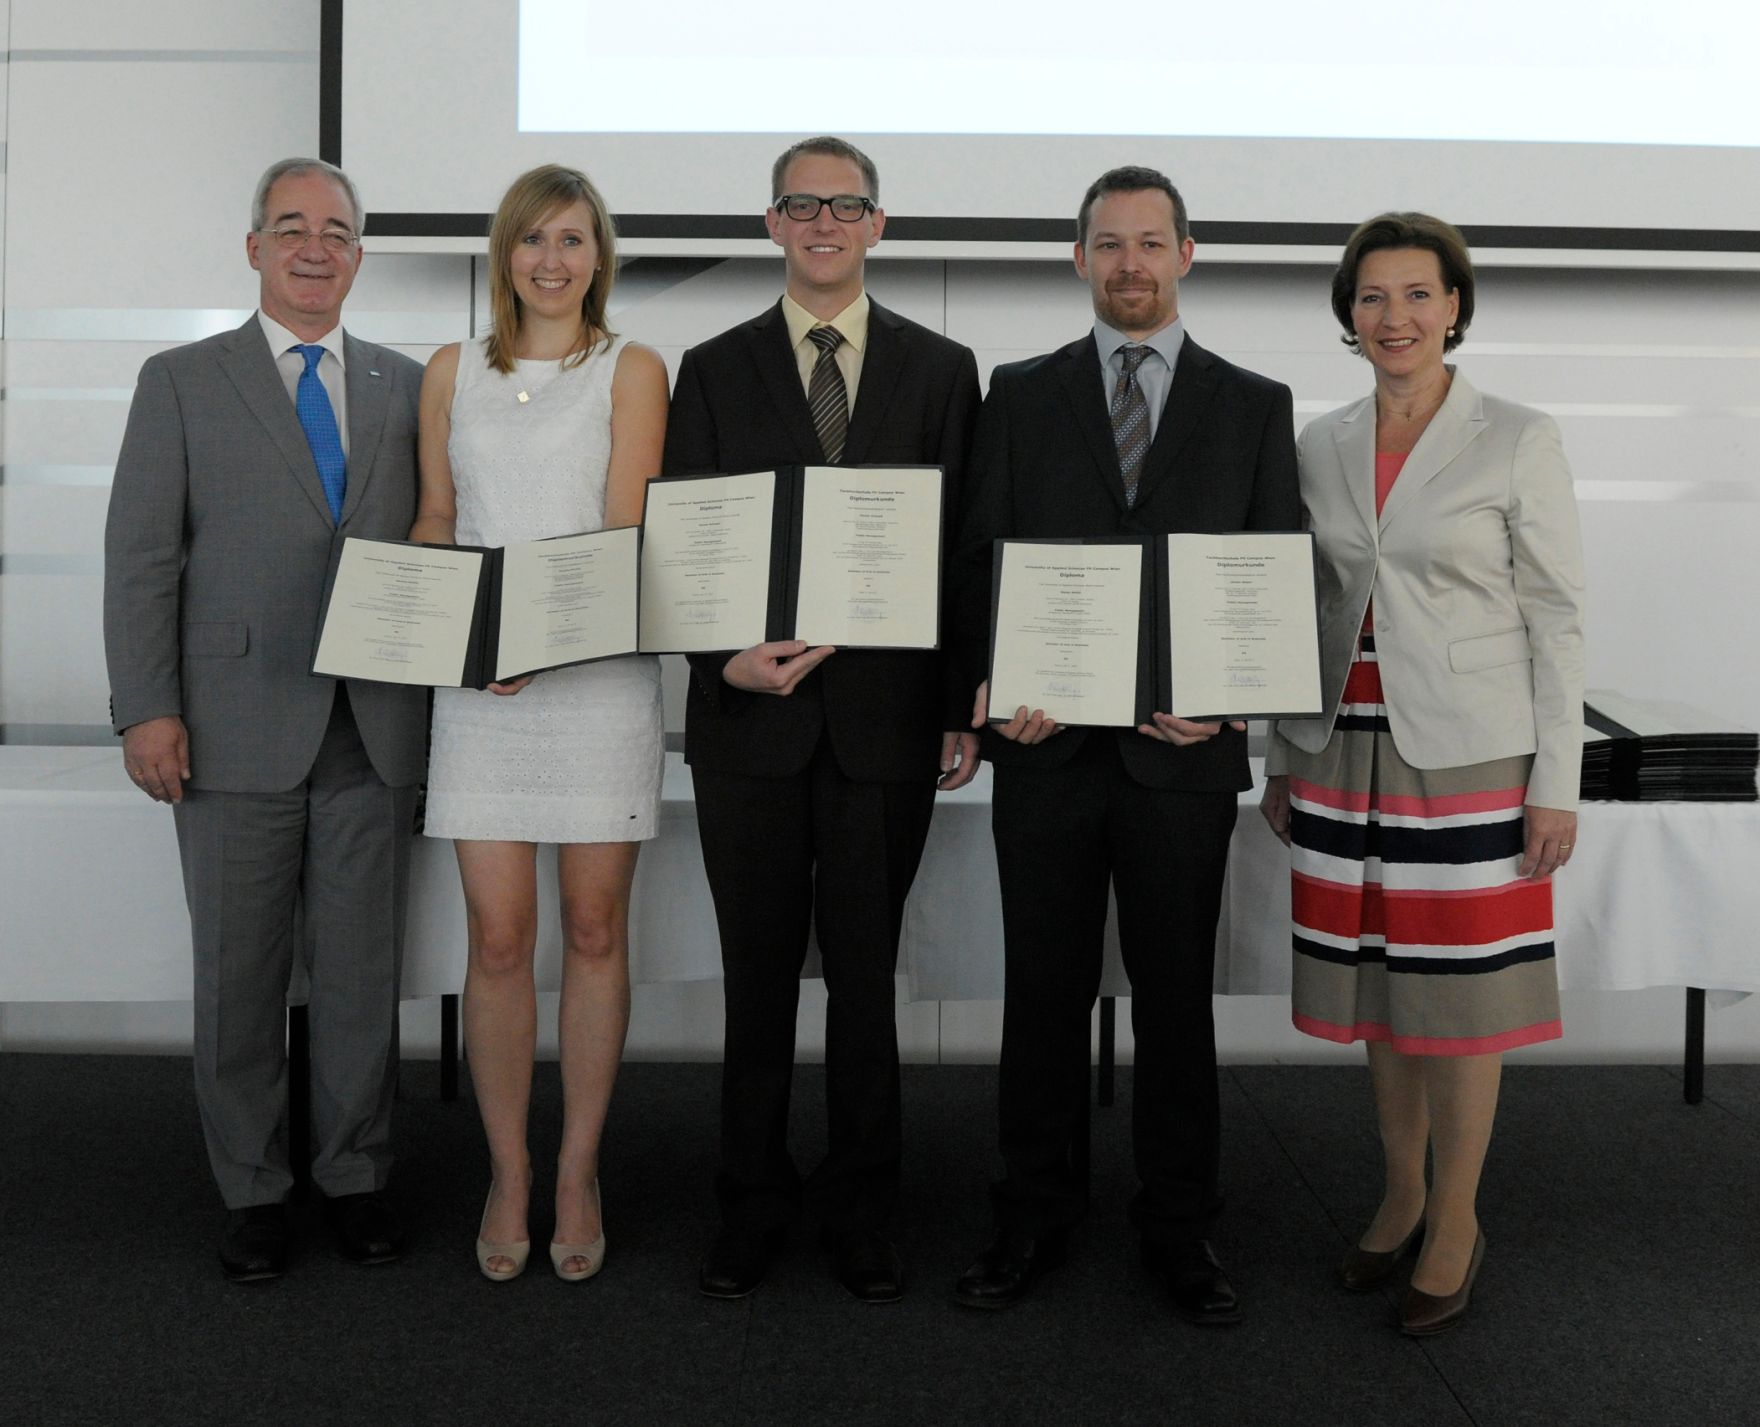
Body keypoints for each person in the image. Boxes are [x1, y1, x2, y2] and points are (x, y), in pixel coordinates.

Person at [951, 166, 1298, 1324]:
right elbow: (979, 555)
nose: (1129, 264)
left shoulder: (1253, 404)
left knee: (1174, 1001)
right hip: (1046, 750)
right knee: (1039, 995)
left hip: (1179, 755)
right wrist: (995, 690)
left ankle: (1179, 1227)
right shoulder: (1018, 391)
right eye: (1107, 244)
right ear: (1078, 259)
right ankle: (1031, 1214)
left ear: (1186, 253)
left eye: (1150, 242)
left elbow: (1271, 565)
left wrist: (1234, 698)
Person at [662, 136, 981, 1303]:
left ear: (877, 226)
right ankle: (746, 1203)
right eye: (802, 205)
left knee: (862, 976)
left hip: (884, 728)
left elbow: (960, 554)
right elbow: (679, 535)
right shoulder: (710, 365)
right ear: (771, 224)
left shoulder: (943, 370)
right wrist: (716, 657)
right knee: (754, 979)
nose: (823, 223)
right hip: (747, 723)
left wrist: (958, 706)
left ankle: (862, 1204)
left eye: (845, 206)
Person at [1259, 212, 1585, 1336]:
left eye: (1414, 294)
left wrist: (1558, 779)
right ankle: (1397, 1192)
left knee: (1460, 996)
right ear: (1346, 317)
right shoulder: (1318, 441)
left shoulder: (1516, 435)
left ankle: (1455, 1214)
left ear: (1454, 306)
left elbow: (1554, 612)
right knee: (1379, 991)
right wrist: (1275, 753)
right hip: (1338, 747)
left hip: (1470, 753)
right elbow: (1294, 606)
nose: (1392, 316)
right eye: (1370, 298)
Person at [103, 157, 427, 1280]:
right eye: (291, 227)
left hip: (374, 729)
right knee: (239, 978)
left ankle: (354, 1174)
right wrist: (146, 706)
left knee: (357, 978)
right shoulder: (182, 379)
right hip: (228, 725)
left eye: (336, 231)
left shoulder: (404, 382)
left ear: (358, 255)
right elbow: (141, 559)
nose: (314, 247)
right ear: (253, 248)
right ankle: (253, 1187)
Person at [409, 164, 669, 1282]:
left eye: (572, 239)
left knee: (597, 931)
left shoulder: (633, 367)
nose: (551, 260)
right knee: (502, 941)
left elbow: (621, 538)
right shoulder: (449, 369)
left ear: (598, 254)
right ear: (502, 253)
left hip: (597, 683)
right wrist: (437, 625)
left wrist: (531, 640)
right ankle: (508, 1168)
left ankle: (578, 1167)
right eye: (531, 240)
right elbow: (435, 517)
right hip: (479, 693)